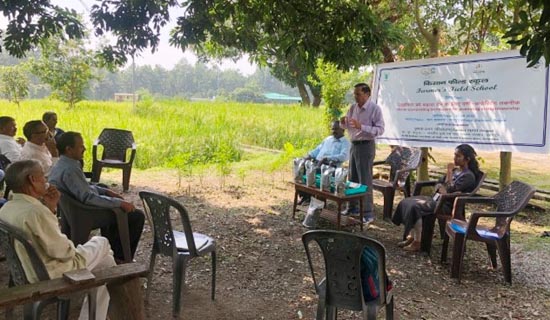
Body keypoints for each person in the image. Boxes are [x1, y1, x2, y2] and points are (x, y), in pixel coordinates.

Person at [0, 160, 115, 320]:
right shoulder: (35, 212)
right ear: (32, 180)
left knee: (107, 263)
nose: (46, 180)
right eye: (43, 176)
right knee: (102, 242)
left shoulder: (7, 208)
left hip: (28, 271)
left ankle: (94, 316)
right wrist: (74, 247)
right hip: (52, 275)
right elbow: (65, 252)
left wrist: (51, 208)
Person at [49, 132, 145, 262]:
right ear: (69, 149)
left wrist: (106, 192)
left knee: (107, 193)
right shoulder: (70, 170)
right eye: (81, 146)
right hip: (86, 212)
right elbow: (88, 197)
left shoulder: (63, 164)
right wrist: (118, 203)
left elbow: (83, 187)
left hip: (76, 209)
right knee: (136, 216)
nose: (84, 149)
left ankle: (113, 250)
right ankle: (122, 257)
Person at [391, 144, 481, 252]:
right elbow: (440, 183)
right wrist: (440, 186)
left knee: (416, 207)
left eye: (458, 156)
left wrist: (448, 173)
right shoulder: (457, 171)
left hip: (448, 205)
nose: (455, 158)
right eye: (455, 155)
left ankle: (417, 242)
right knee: (408, 201)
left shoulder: (468, 176)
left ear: (467, 159)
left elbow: (449, 189)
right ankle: (412, 236)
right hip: (438, 199)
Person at [340, 83, 385, 224]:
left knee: (364, 179)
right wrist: (343, 123)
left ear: (367, 94)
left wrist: (362, 127)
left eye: (358, 94)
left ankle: (367, 212)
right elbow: (347, 125)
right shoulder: (353, 108)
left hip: (366, 146)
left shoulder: (374, 109)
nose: (356, 97)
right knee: (352, 177)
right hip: (354, 145)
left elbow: (380, 129)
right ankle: (352, 207)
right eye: (354, 94)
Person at [298, 121, 350, 205]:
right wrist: (309, 155)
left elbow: (343, 156)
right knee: (300, 169)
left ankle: (314, 199)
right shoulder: (328, 139)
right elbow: (317, 150)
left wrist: (327, 158)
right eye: (332, 129)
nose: (334, 131)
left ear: (343, 130)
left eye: (336, 129)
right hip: (318, 162)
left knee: (314, 172)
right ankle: (305, 196)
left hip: (330, 166)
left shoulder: (345, 143)